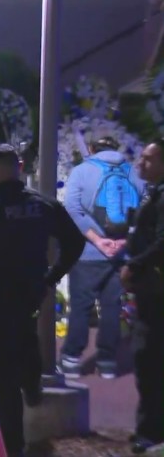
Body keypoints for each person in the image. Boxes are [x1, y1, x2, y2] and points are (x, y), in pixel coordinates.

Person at [0, 145, 84, 456]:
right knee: (24, 341)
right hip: (29, 296)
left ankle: (14, 447)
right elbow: (74, 242)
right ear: (20, 167)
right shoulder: (42, 206)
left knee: (2, 379)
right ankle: (32, 379)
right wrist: (51, 278)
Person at [61, 136, 144, 379]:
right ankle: (107, 362)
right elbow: (142, 211)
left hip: (88, 254)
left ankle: (71, 360)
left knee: (81, 307)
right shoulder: (134, 172)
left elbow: (72, 208)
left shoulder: (82, 171)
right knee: (112, 307)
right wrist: (124, 241)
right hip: (121, 253)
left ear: (95, 149)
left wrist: (97, 240)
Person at [120, 139, 164, 454]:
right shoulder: (154, 194)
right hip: (149, 290)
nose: (140, 164)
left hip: (156, 292)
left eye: (148, 159)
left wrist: (134, 266)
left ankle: (150, 431)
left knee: (148, 360)